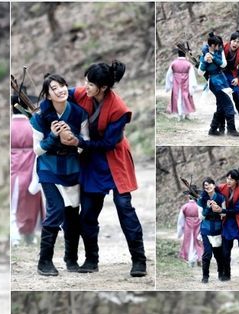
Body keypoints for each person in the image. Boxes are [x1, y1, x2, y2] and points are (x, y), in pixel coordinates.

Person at [66, 62, 147, 277]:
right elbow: (61, 94)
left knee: (124, 207)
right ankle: (91, 259)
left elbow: (108, 143)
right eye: (85, 81)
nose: (85, 86)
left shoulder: (118, 109)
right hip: (92, 160)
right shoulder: (82, 94)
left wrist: (79, 143)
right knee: (88, 212)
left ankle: (139, 260)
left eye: (90, 84)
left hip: (114, 157)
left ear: (102, 87)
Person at [30, 74, 89, 276]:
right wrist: (53, 136)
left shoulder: (79, 113)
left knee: (72, 214)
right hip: (48, 169)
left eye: (62, 85)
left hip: (72, 169)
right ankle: (44, 262)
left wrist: (74, 139)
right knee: (55, 210)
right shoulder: (39, 117)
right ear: (48, 95)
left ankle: (71, 259)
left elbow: (85, 144)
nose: (61, 90)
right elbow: (37, 150)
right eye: (54, 88)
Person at [11, 95, 43, 245]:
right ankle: (28, 233)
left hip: (13, 169)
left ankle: (15, 235)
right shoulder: (33, 125)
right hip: (30, 169)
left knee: (13, 204)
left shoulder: (10, 126)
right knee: (30, 203)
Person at [199, 32, 239, 137]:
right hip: (214, 83)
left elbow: (223, 64)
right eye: (218, 45)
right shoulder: (204, 55)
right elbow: (200, 72)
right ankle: (231, 130)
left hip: (221, 80)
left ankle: (213, 129)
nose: (220, 47)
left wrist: (213, 58)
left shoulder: (217, 52)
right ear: (213, 45)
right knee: (228, 104)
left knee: (221, 106)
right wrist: (205, 61)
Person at [197, 177, 225, 283]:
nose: (208, 186)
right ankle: (205, 276)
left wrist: (218, 209)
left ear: (214, 185)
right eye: (205, 185)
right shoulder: (201, 200)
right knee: (207, 254)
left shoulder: (221, 198)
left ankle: (221, 274)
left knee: (218, 254)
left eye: (209, 184)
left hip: (217, 230)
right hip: (206, 229)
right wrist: (207, 208)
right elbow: (200, 217)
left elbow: (224, 214)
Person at [165, 48, 197, 120]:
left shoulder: (173, 63)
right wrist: (192, 86)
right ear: (185, 54)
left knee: (177, 97)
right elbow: (192, 76)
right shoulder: (188, 64)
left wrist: (169, 84)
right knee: (186, 97)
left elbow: (168, 75)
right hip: (186, 83)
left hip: (176, 83)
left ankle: (179, 115)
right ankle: (186, 114)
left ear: (178, 54)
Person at [176, 195, 203, 267]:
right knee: (198, 242)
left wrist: (179, 233)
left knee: (189, 243)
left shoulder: (185, 207)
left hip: (188, 227)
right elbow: (202, 218)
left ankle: (191, 260)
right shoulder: (199, 206)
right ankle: (199, 257)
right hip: (198, 226)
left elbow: (180, 221)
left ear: (188, 197)